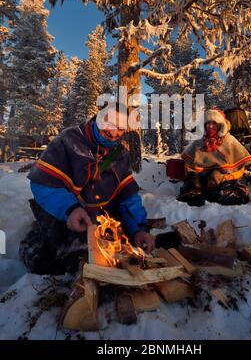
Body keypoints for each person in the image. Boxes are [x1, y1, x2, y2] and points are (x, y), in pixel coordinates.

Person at [19, 103, 155, 275]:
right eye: (110, 124)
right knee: (45, 262)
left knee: (120, 246)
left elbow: (127, 196)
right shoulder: (68, 140)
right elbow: (42, 183)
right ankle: (34, 239)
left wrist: (139, 229)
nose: (114, 133)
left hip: (96, 216)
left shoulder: (120, 155)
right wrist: (70, 209)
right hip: (62, 211)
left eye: (120, 128)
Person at [178, 108, 251, 206]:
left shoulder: (230, 141)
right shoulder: (199, 142)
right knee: (191, 191)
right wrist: (193, 176)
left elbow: (239, 168)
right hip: (201, 179)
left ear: (221, 125)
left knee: (221, 190)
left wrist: (224, 176)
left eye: (214, 123)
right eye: (207, 123)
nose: (210, 126)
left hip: (221, 180)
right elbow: (188, 164)